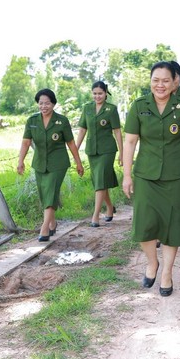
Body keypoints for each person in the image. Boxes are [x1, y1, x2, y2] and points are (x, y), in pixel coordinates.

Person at [122, 61, 180, 297]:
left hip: (176, 175)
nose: (160, 85)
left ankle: (167, 273)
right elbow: (130, 142)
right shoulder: (139, 106)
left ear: (174, 82)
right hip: (146, 174)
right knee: (144, 224)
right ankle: (152, 262)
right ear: (150, 81)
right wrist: (127, 175)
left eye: (166, 80)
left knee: (172, 225)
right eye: (156, 80)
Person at [17, 88, 84, 242]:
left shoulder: (62, 121)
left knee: (51, 192)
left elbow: (71, 143)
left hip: (58, 163)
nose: (44, 106)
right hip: (39, 163)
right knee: (44, 194)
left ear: (53, 104)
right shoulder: (32, 121)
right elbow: (26, 142)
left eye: (47, 103)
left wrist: (78, 163)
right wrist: (20, 161)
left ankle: (44, 228)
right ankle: (52, 223)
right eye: (41, 103)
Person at [75, 81, 124, 228]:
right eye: (95, 93)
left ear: (105, 93)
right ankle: (109, 207)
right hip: (92, 150)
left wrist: (122, 153)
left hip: (107, 150)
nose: (97, 96)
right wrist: (75, 149)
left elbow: (117, 131)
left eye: (100, 93)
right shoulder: (87, 108)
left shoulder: (111, 109)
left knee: (101, 180)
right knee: (99, 181)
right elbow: (82, 129)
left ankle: (95, 215)